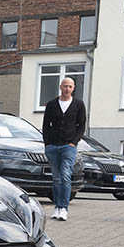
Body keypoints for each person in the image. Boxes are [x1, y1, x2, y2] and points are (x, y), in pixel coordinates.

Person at [42, 77, 87, 221]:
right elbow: (45, 125)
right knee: (56, 178)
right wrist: (47, 143)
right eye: (65, 86)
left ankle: (64, 208)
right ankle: (57, 207)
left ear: (73, 88)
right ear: (61, 87)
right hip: (53, 146)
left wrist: (74, 142)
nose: (67, 89)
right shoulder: (52, 104)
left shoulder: (79, 104)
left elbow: (81, 125)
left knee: (65, 175)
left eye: (70, 86)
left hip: (69, 146)